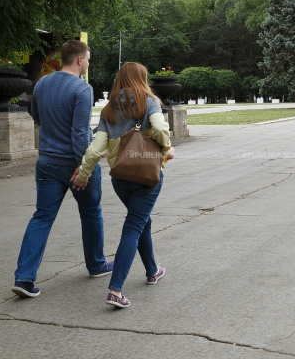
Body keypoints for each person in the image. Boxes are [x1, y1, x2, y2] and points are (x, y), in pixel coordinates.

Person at [12, 40, 111, 298]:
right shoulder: (82, 89)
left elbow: (36, 116)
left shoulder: (42, 83)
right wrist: (84, 168)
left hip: (46, 161)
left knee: (42, 217)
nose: (88, 63)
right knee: (91, 213)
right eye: (87, 59)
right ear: (79, 60)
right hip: (74, 162)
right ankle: (96, 264)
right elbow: (80, 133)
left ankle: (23, 278)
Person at [73, 62, 175, 308]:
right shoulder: (148, 100)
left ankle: (152, 270)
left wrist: (84, 174)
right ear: (142, 78)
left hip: (120, 178)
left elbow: (96, 148)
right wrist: (168, 146)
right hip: (148, 176)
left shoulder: (110, 108)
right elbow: (160, 126)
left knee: (141, 221)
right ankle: (115, 290)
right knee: (134, 226)